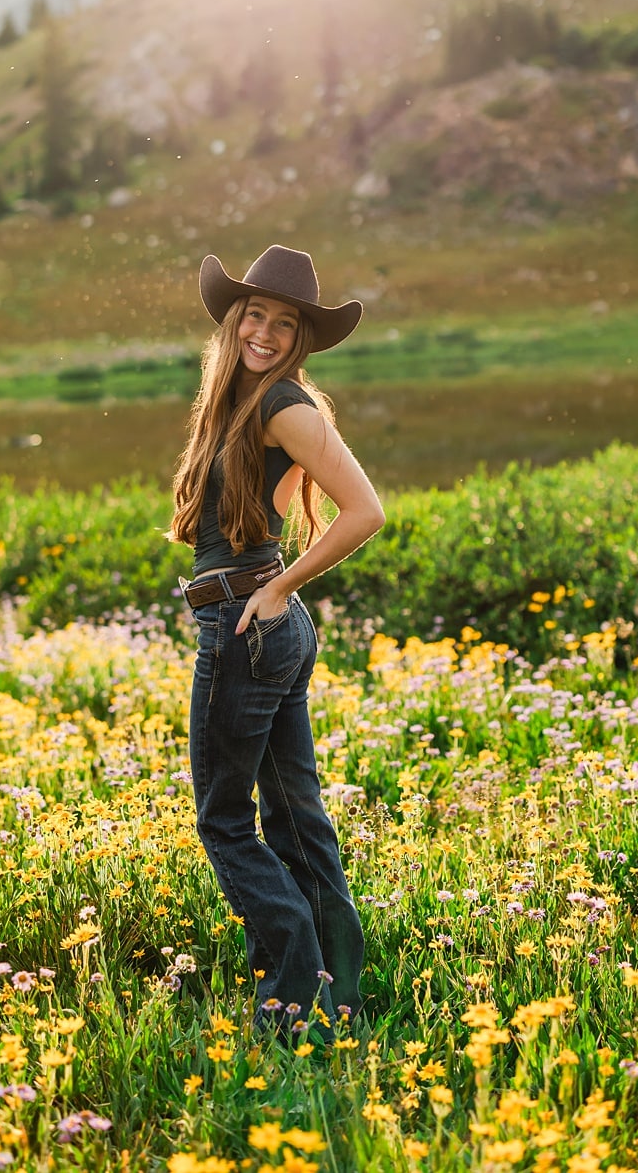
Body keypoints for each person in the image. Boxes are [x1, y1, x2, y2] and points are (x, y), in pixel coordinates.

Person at [169, 244, 385, 1039]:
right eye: (254, 314)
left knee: (225, 821)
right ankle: (341, 994)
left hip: (248, 626)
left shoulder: (285, 405)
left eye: (282, 323)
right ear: (234, 320)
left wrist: (279, 585)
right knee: (295, 820)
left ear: (299, 338)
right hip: (259, 627)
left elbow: (365, 512)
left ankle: (293, 989)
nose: (262, 330)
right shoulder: (243, 400)